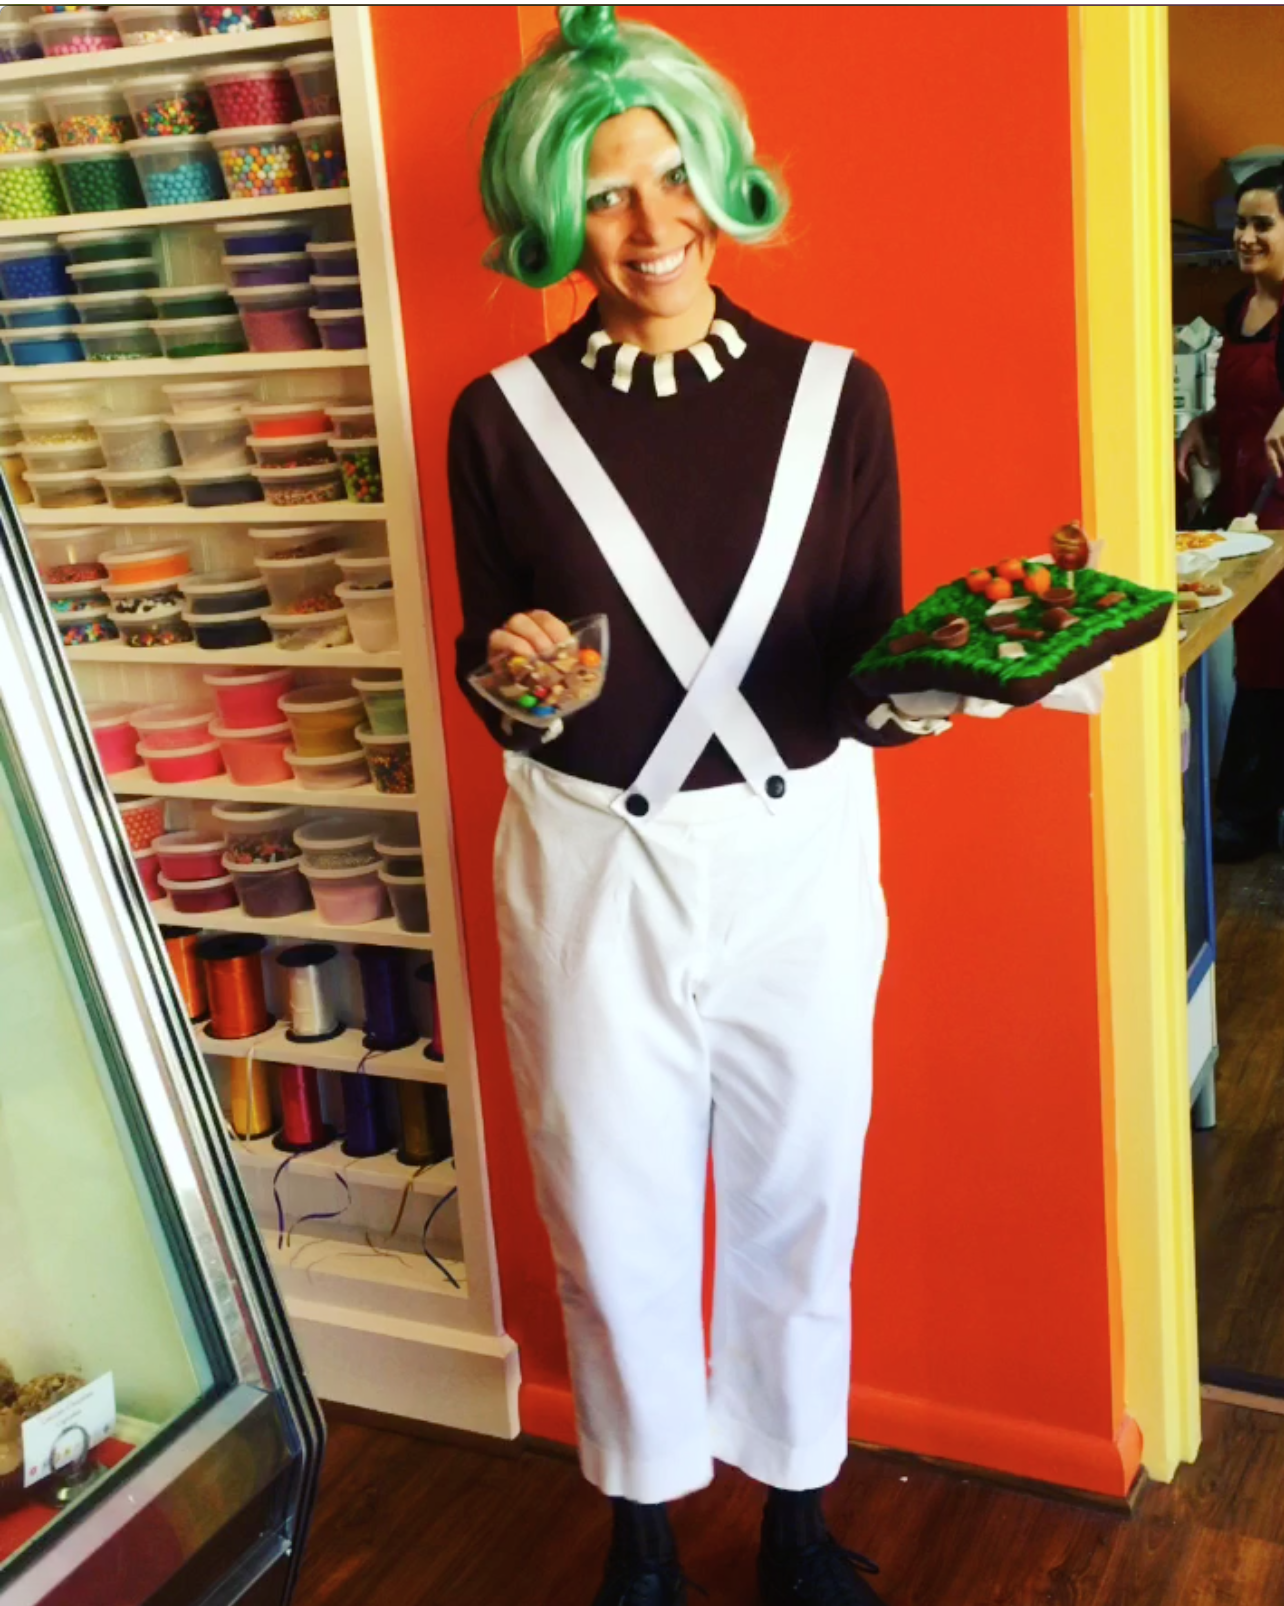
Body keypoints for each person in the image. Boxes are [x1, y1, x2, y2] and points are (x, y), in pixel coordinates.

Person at [448, 10, 1098, 1602]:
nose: (652, 226)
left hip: (797, 846)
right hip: (592, 858)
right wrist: (520, 677)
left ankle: (797, 1517)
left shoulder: (836, 398)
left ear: (726, 179)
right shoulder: (499, 418)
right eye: (606, 193)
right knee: (609, 1196)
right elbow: (493, 664)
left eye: (675, 176)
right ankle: (643, 1529)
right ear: (552, 214)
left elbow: (857, 667)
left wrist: (961, 674)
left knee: (803, 1183)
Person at [1178, 168, 1284, 862]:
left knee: (1275, 659)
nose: (1245, 236)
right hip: (1246, 508)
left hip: (1281, 506)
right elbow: (1244, 404)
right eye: (1240, 223)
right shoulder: (1237, 306)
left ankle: (1248, 812)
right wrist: (1203, 427)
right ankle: (1251, 806)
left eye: (1262, 224)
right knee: (1259, 656)